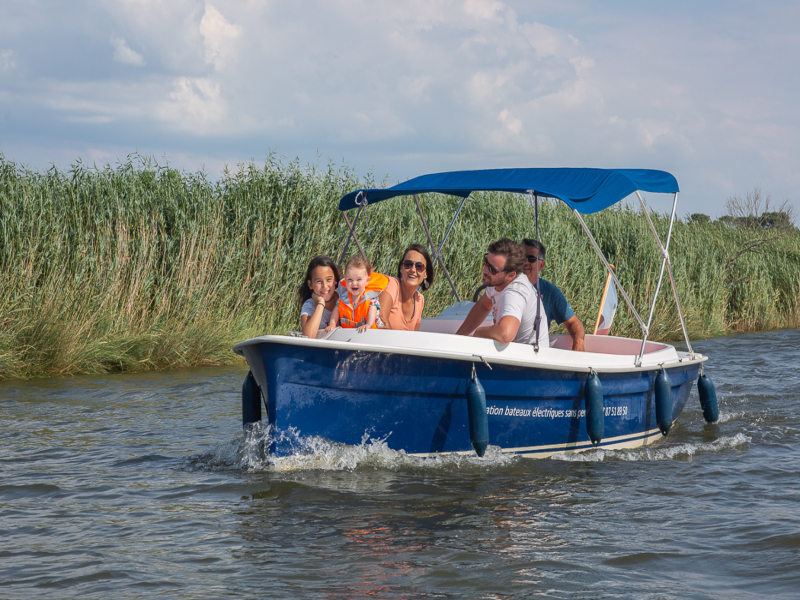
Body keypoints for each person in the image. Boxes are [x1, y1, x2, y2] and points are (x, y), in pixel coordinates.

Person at [456, 238, 549, 347]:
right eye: (486, 262)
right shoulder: (496, 281)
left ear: (511, 275)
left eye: (492, 269)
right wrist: (458, 338)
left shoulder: (515, 291)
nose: (484, 270)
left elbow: (505, 334)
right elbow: (483, 306)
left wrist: (479, 332)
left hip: (529, 355)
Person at [522, 238, 585, 352]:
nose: (525, 262)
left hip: (535, 353)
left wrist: (578, 341)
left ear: (541, 265)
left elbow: (573, 322)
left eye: (531, 259)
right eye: (521, 258)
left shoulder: (550, 292)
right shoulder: (505, 285)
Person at [326, 254, 389, 333]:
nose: (354, 283)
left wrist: (368, 324)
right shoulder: (343, 298)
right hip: (350, 334)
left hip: (370, 333)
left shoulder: (370, 299)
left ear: (367, 281)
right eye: (350, 279)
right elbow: (336, 311)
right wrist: (332, 324)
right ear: (345, 279)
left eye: (358, 279)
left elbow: (372, 311)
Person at [378, 244, 435, 331]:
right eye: (408, 264)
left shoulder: (420, 300)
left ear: (425, 274)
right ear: (401, 268)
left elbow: (414, 336)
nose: (413, 270)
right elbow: (381, 322)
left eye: (419, 267)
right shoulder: (391, 285)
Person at [298, 255, 340, 338]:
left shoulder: (345, 296)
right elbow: (308, 336)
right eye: (319, 281)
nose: (325, 286)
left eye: (329, 279)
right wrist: (320, 304)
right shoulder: (309, 306)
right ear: (310, 284)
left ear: (335, 280)